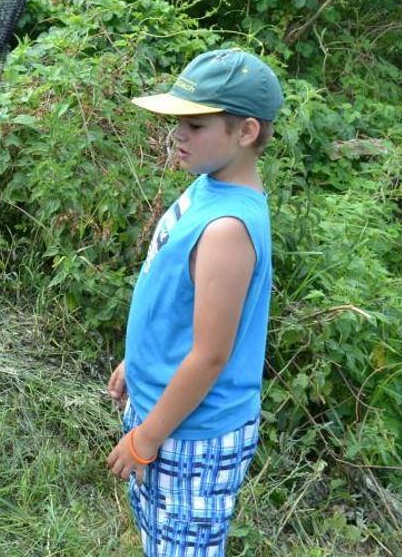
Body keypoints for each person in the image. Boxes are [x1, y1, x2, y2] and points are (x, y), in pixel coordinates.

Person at [105, 49, 284, 556]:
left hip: (191, 436)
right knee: (158, 539)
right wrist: (137, 363)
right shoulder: (208, 187)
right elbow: (174, 299)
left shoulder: (228, 228)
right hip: (164, 408)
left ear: (245, 132)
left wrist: (146, 439)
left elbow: (210, 355)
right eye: (177, 121)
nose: (177, 135)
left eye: (196, 125)